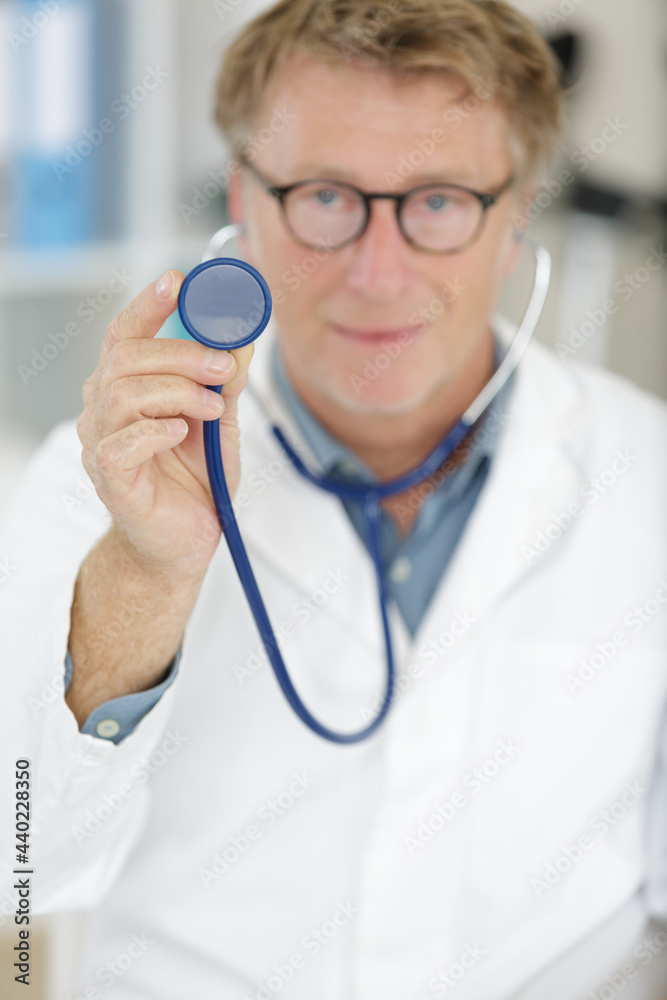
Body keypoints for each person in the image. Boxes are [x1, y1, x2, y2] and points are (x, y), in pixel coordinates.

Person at [1, 0, 666, 997]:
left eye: (438, 200)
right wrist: (144, 573)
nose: (377, 272)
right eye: (324, 196)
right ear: (244, 198)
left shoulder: (645, 476)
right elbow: (18, 870)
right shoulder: (97, 477)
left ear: (517, 213)